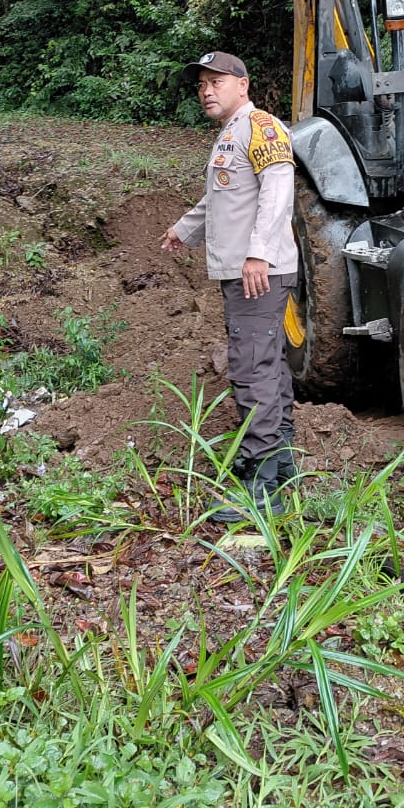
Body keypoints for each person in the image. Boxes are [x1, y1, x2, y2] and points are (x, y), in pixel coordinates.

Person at [161, 51, 298, 521]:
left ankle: (262, 487)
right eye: (202, 84)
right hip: (247, 271)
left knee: (252, 369)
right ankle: (281, 464)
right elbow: (220, 198)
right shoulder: (232, 133)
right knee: (268, 363)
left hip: (257, 272)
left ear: (243, 84)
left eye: (216, 82)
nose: (206, 91)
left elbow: (278, 191)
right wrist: (184, 229)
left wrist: (258, 252)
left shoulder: (261, 127)